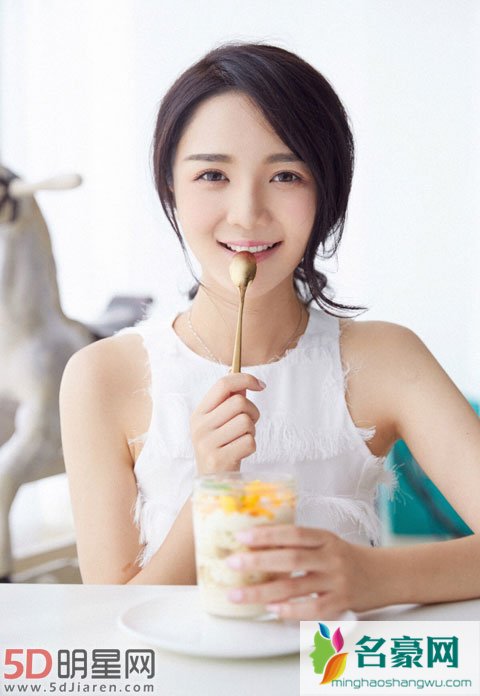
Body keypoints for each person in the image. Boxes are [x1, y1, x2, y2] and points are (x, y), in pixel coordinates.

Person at [60, 41, 480, 618]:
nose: (247, 213)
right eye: (212, 174)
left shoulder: (387, 359)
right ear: (170, 188)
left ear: (326, 190)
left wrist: (372, 577)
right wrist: (210, 489)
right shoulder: (102, 376)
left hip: (334, 663)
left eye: (285, 175)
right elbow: (110, 618)